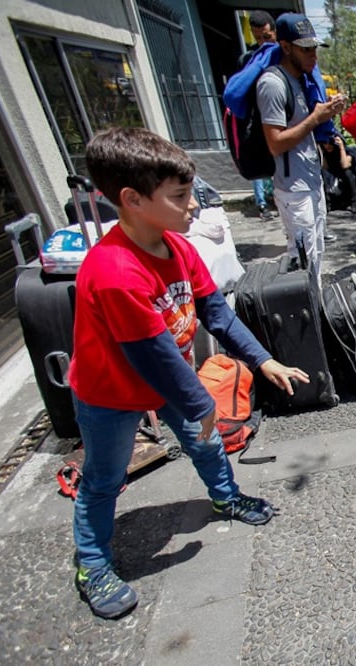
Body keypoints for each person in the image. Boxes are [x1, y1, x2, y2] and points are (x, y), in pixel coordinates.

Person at [67, 127, 311, 619]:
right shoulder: (114, 271)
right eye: (180, 196)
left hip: (169, 377)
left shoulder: (177, 247)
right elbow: (150, 354)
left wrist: (264, 360)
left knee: (207, 442)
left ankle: (225, 498)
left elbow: (216, 313)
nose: (194, 206)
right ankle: (92, 562)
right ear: (132, 199)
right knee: (103, 478)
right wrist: (201, 406)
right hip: (109, 393)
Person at [257, 12, 345, 286]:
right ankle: (305, 316)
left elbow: (307, 129)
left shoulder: (302, 81)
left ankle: (315, 305)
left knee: (316, 253)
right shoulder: (272, 84)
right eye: (305, 49)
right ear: (285, 47)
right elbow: (275, 142)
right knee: (302, 258)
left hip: (310, 180)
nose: (313, 56)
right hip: (293, 187)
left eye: (314, 49)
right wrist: (316, 118)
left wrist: (325, 119)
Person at [239, 10, 278, 221]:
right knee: (260, 167)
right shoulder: (250, 60)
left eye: (267, 36)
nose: (263, 42)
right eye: (258, 37)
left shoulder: (284, 55)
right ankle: (262, 204)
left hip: (280, 123)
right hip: (258, 124)